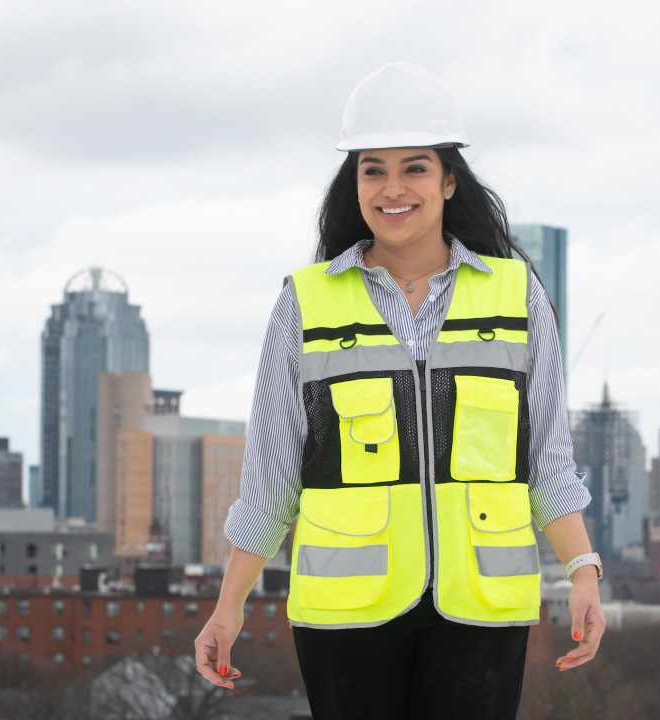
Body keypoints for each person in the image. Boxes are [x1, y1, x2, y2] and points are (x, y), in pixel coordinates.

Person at [195, 62, 605, 719]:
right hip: (344, 614)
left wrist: (582, 570)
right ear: (353, 182)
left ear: (448, 180)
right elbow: (271, 481)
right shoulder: (305, 305)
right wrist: (229, 606)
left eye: (414, 167)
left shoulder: (516, 294)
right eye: (372, 168)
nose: (392, 188)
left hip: (482, 610)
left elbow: (547, 464)